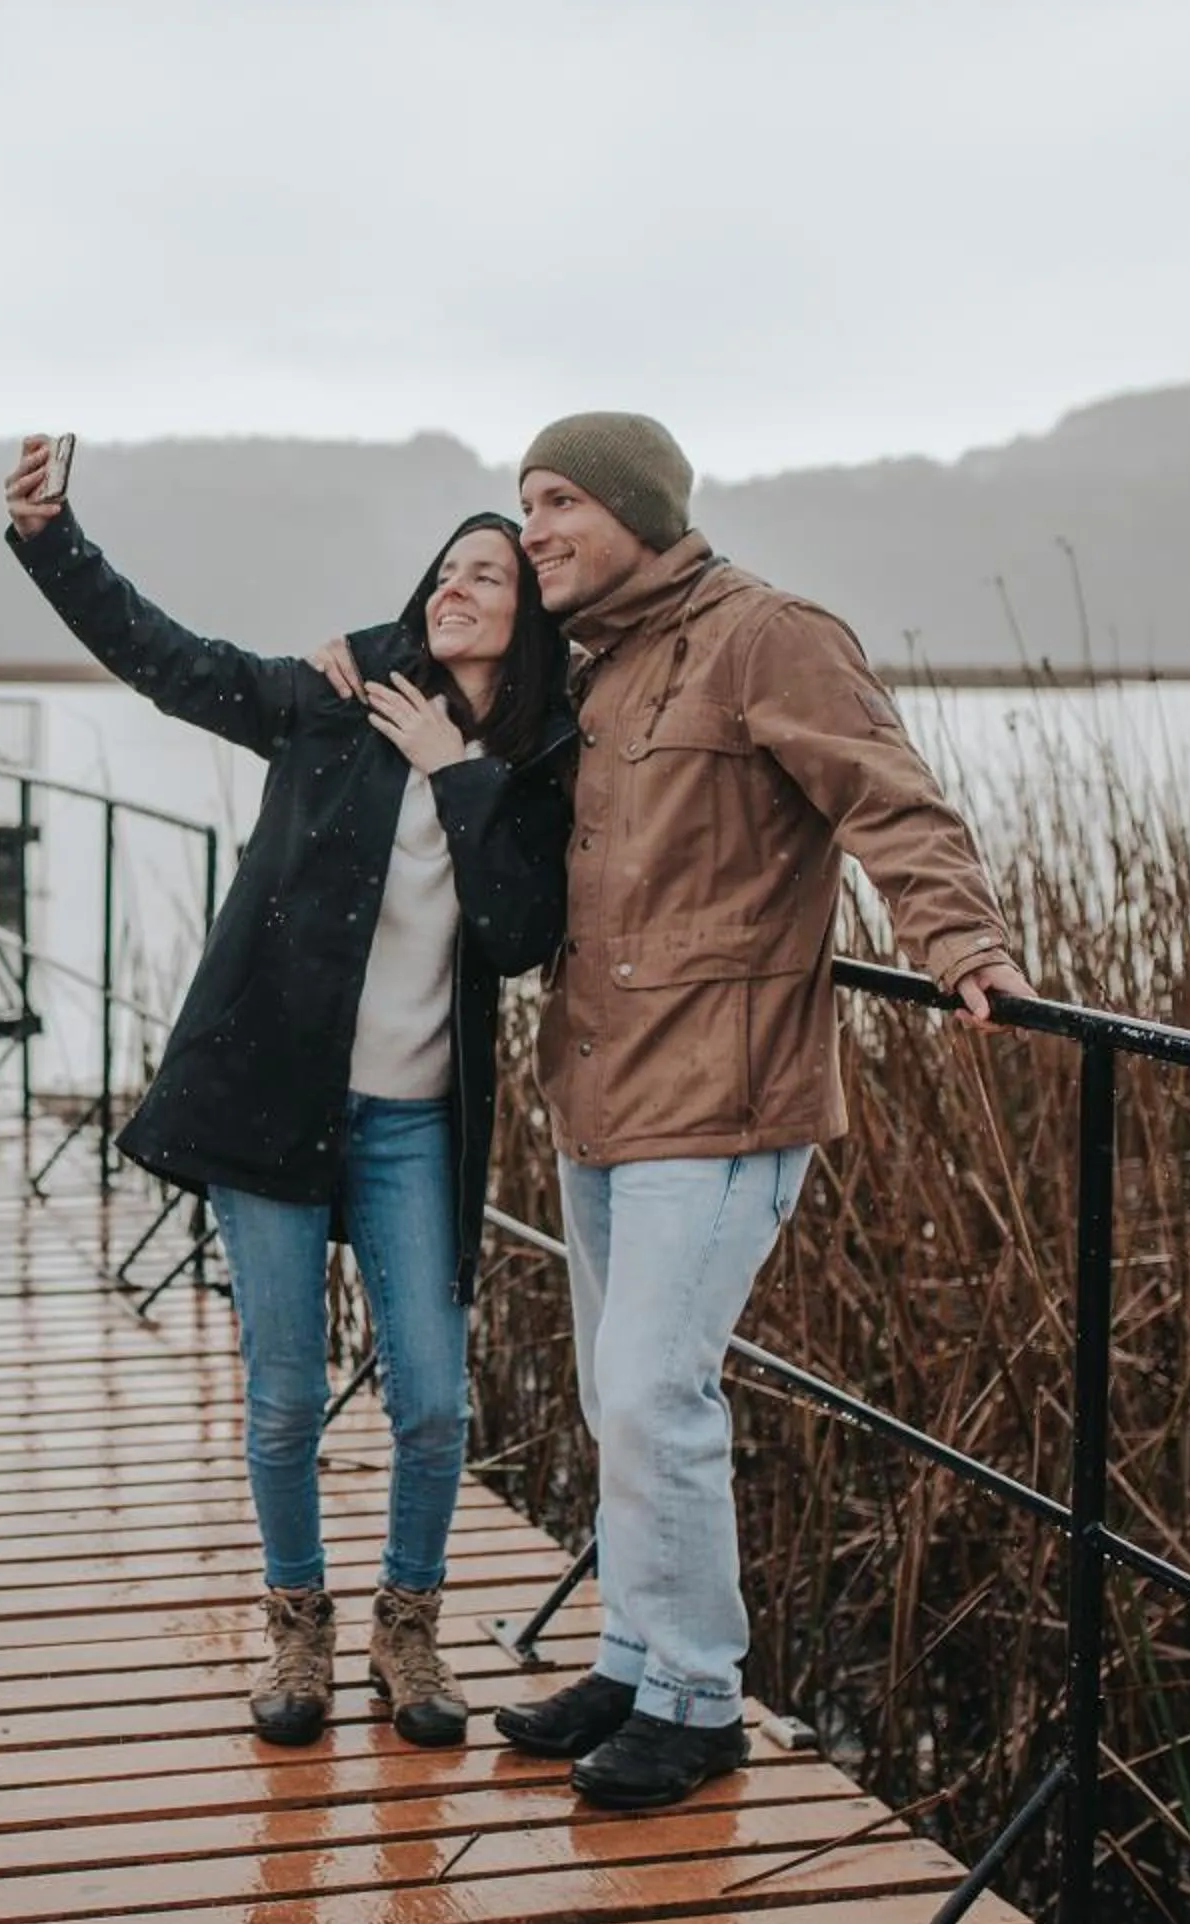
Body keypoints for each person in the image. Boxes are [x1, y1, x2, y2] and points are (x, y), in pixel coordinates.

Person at [313, 411, 1034, 1806]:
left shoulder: (768, 634)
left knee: (655, 1390)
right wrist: (345, 661)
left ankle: (698, 1701)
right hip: (602, 1086)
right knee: (611, 1395)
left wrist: (961, 943)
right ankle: (634, 1657)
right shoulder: (592, 663)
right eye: (524, 502)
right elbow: (460, 697)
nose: (534, 529)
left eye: (561, 499)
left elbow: (891, 798)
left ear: (640, 507)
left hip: (726, 1091)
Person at [2, 432, 575, 1748]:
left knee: (434, 1397)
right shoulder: (329, 700)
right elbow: (172, 661)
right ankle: (300, 1629)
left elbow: (520, 935)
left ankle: (409, 1626)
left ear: (526, 615)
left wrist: (458, 768)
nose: (459, 585)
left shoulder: (532, 769)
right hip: (269, 1099)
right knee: (280, 1395)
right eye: (447, 568)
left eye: (490, 574)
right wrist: (52, 538)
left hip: (413, 1128)